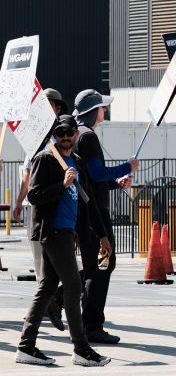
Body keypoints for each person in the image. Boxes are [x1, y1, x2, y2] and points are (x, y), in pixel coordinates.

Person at [16, 115, 111, 367]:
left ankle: (26, 347)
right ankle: (81, 349)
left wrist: (102, 235)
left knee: (47, 287)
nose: (66, 137)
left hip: (69, 233)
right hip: (52, 231)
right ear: (55, 135)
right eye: (61, 133)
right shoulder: (45, 158)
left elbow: (88, 202)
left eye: (70, 133)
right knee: (73, 286)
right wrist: (63, 183)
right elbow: (34, 195)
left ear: (76, 135)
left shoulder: (76, 161)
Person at [73, 89, 138, 344]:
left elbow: (91, 178)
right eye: (102, 107)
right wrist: (126, 167)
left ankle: (74, 311)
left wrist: (116, 182)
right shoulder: (88, 137)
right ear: (93, 111)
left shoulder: (80, 135)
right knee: (102, 266)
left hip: (87, 209)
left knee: (96, 266)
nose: (105, 110)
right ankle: (91, 324)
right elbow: (98, 174)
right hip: (95, 213)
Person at [14, 88, 69, 331]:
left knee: (59, 269)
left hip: (60, 208)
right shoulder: (35, 137)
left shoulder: (61, 135)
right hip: (39, 209)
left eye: (52, 105)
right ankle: (44, 308)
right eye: (43, 104)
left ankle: (49, 305)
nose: (48, 109)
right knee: (42, 267)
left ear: (58, 108)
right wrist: (18, 202)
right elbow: (28, 176)